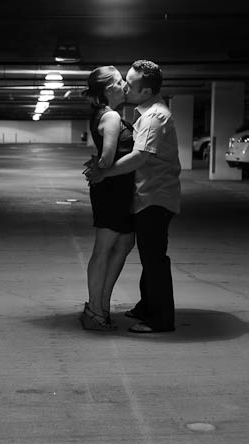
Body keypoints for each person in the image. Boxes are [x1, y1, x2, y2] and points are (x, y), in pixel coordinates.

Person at [84, 60, 181, 334]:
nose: (125, 86)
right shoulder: (137, 113)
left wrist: (104, 172)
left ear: (146, 92)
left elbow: (140, 156)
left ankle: (160, 319)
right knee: (145, 255)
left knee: (154, 259)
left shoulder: (153, 117)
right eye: (121, 81)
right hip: (141, 195)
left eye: (130, 83)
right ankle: (143, 306)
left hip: (155, 196)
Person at [78, 66, 136, 332]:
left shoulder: (107, 114)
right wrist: (100, 170)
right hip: (112, 189)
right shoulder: (111, 116)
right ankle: (95, 310)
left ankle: (101, 304)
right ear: (107, 89)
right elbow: (107, 157)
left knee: (124, 242)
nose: (124, 83)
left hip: (118, 188)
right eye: (119, 81)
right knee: (104, 248)